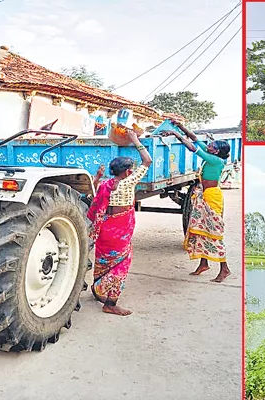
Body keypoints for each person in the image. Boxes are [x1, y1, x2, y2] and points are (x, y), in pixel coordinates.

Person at [86, 129, 152, 316]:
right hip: (119, 230)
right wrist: (135, 140)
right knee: (122, 263)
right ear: (128, 172)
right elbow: (147, 161)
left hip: (105, 228)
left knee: (103, 259)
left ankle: (97, 289)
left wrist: (97, 177)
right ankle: (110, 302)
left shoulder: (106, 184)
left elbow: (93, 192)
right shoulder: (128, 183)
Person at [163, 120, 231, 283]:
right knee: (199, 230)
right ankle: (203, 263)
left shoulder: (215, 160)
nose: (209, 146)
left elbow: (193, 147)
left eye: (212, 146)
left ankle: (225, 269)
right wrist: (179, 125)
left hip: (212, 198)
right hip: (204, 195)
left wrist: (175, 134)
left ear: (217, 152)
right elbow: (194, 138)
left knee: (214, 234)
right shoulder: (213, 157)